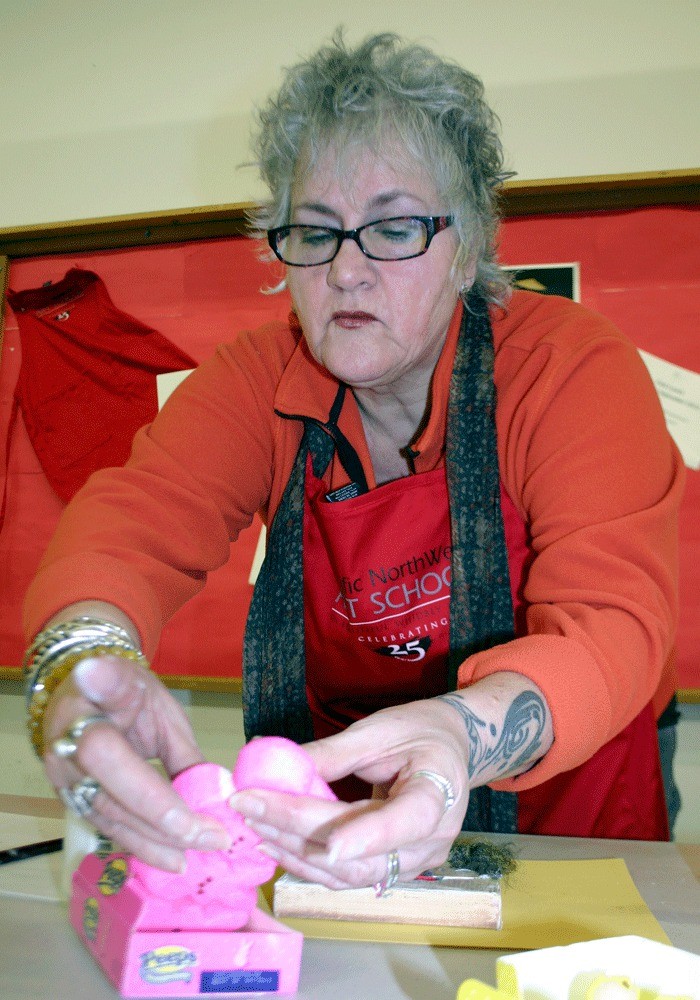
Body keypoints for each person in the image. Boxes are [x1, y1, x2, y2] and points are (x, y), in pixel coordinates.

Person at [22, 32, 684, 891]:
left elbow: (614, 624)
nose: (346, 271)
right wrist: (82, 662)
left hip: (570, 823)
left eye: (395, 227)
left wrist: (460, 734)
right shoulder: (253, 381)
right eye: (315, 231)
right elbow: (130, 526)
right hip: (350, 818)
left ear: (470, 246)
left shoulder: (568, 367)